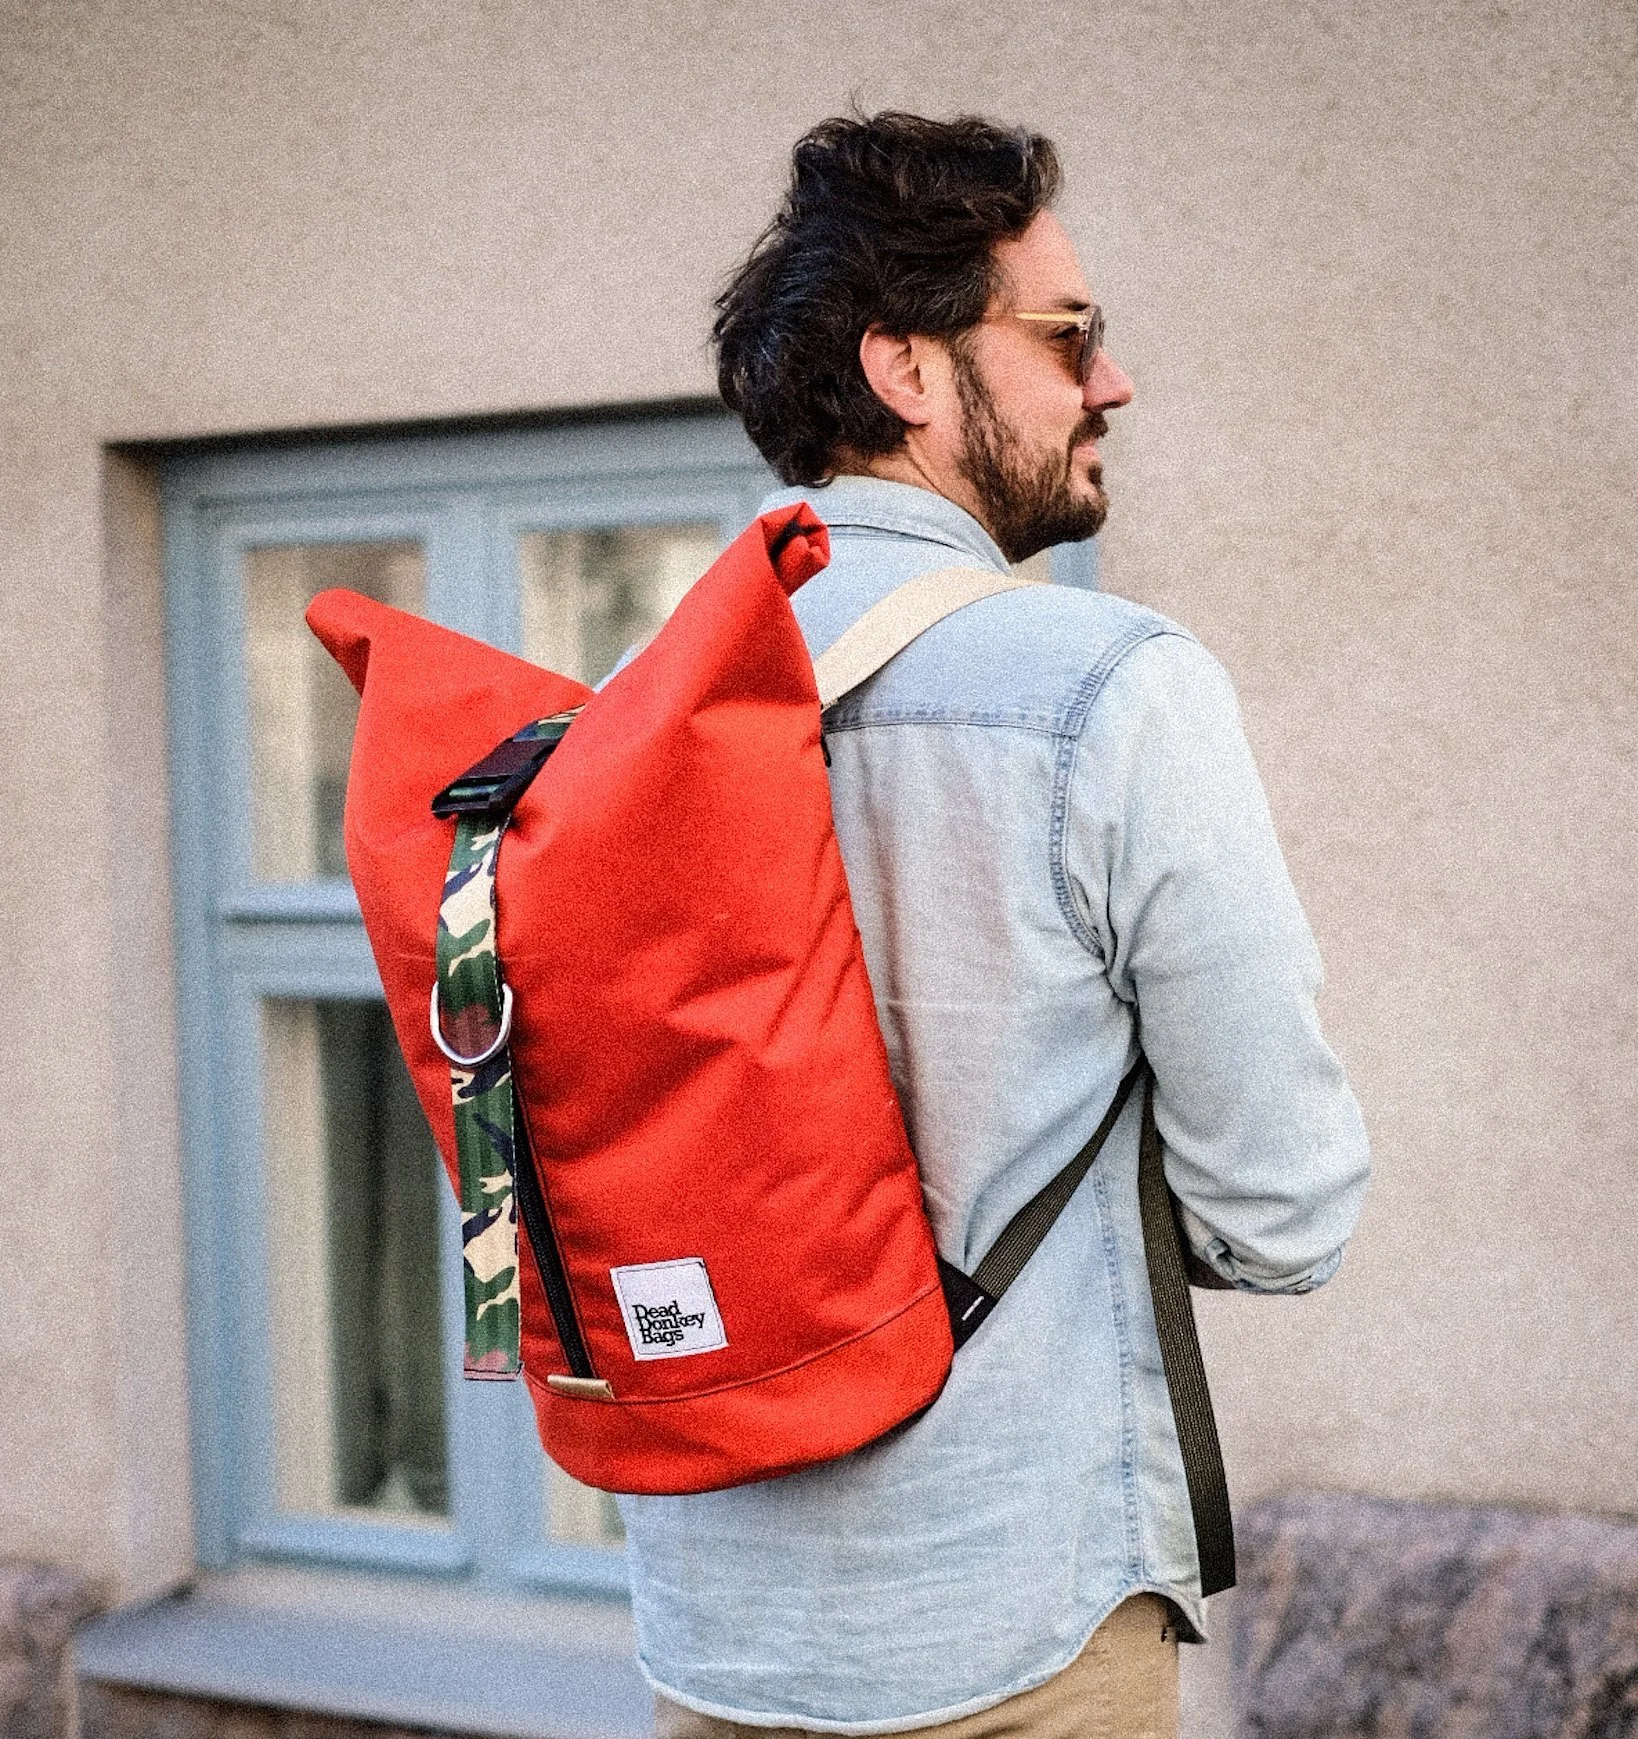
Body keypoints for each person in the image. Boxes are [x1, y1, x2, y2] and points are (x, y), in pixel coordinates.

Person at [617, 111, 1370, 1739]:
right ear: (905, 369)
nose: (1109, 383)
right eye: (1067, 334)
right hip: (1014, 1631)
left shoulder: (623, 718)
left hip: (714, 1633)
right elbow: (1285, 1206)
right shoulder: (1109, 689)